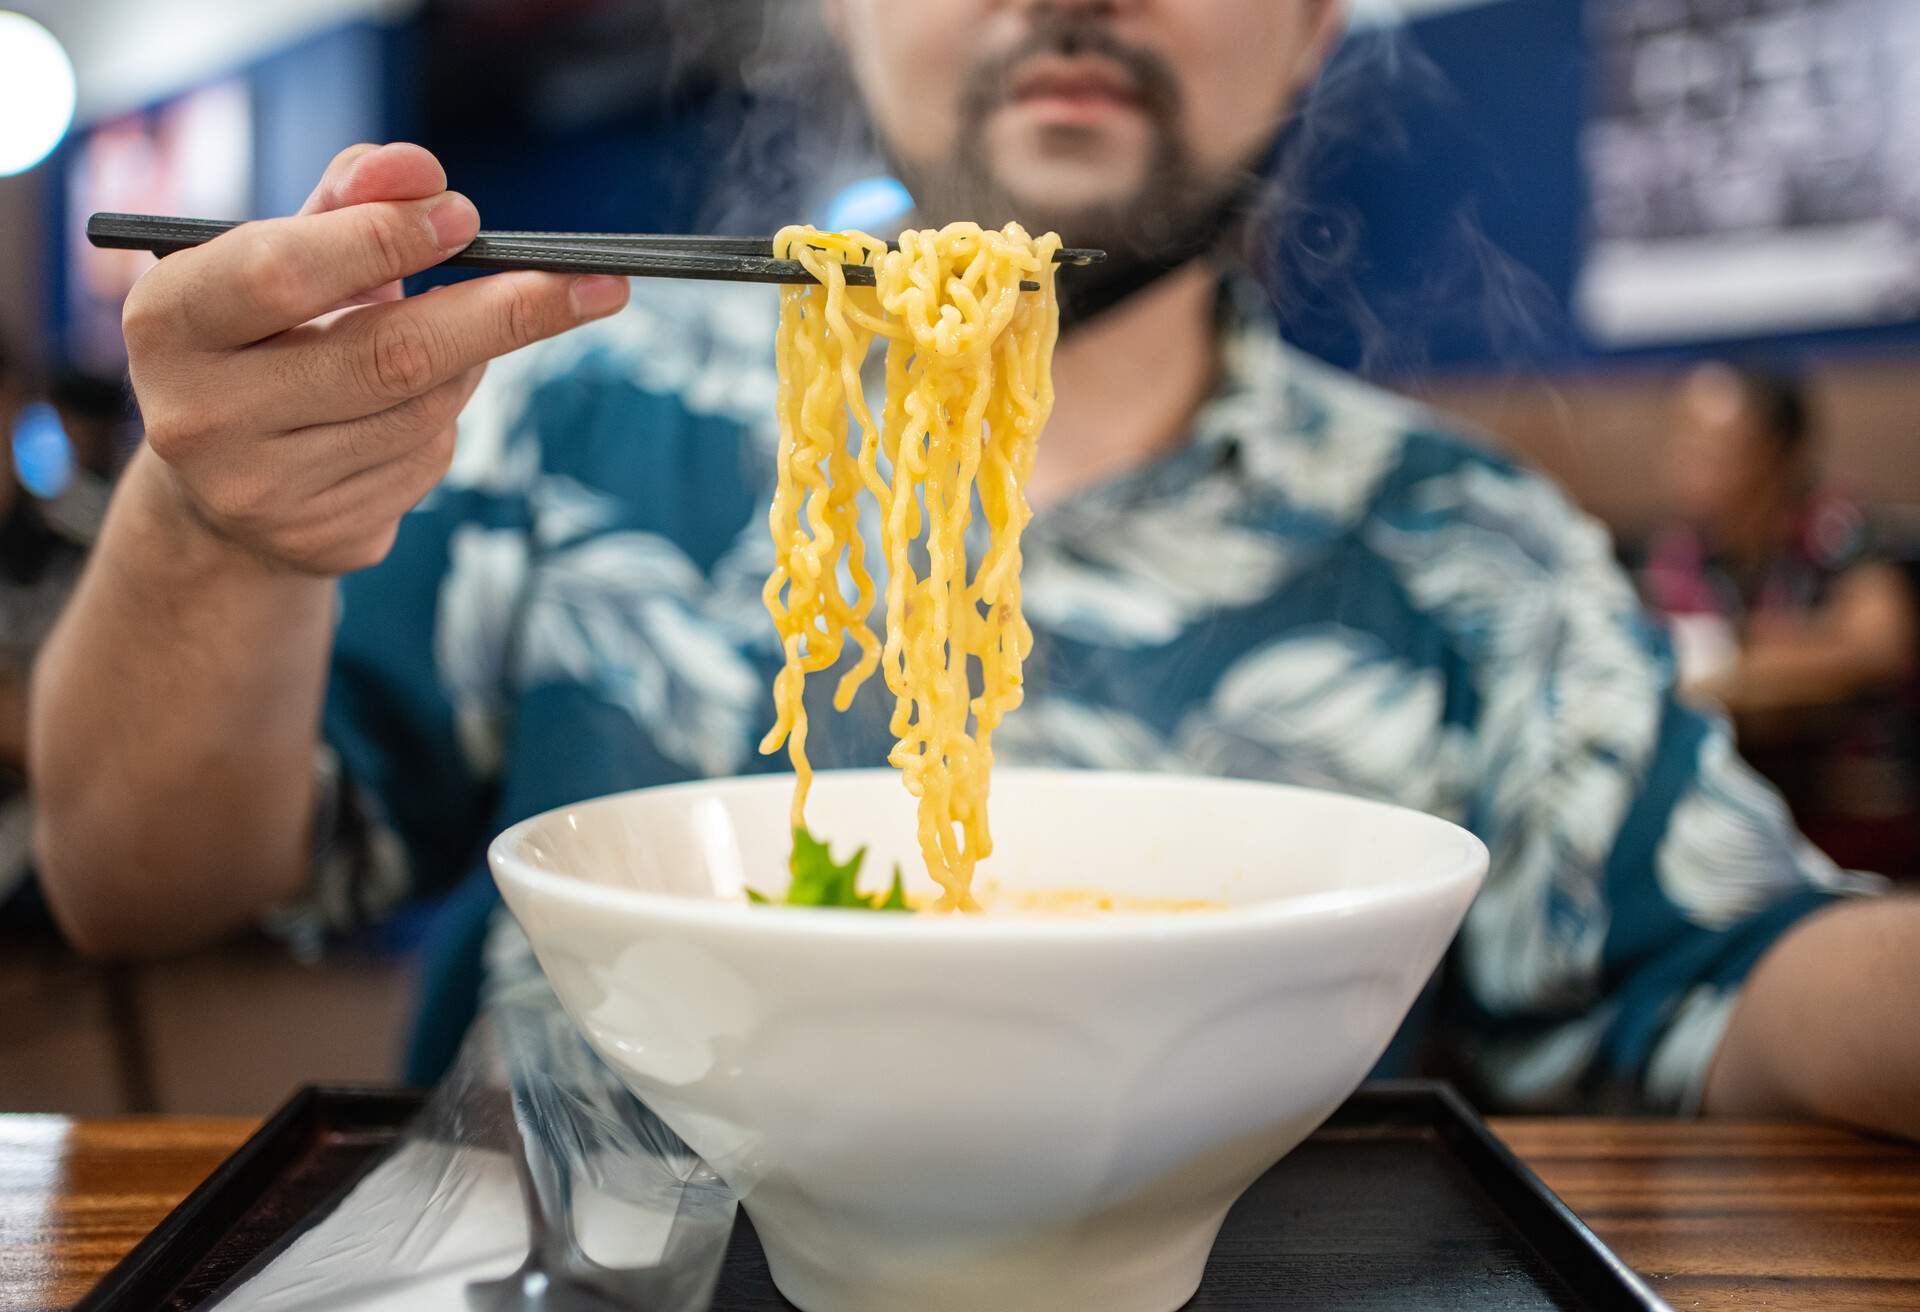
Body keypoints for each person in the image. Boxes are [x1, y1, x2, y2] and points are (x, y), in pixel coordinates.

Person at [31, 0, 1920, 1137]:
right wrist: (219, 525)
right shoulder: (559, 420)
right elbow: (143, 886)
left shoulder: (1468, 545)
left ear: (1319, 26)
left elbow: (1742, 968)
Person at [1642, 363, 1919, 877]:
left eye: (1712, 451)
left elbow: (1880, 644)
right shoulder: (1684, 551)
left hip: (1853, 811)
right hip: (1743, 809)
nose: (1686, 464)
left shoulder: (1838, 529)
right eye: (1682, 444)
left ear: (1778, 454)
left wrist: (1745, 659)